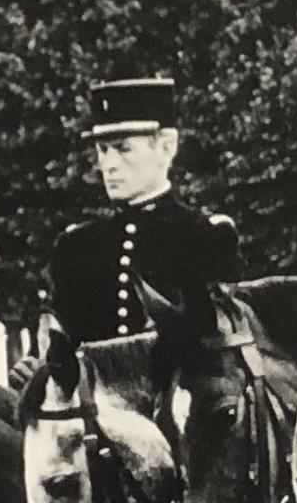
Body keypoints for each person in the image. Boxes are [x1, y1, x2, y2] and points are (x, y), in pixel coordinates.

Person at [45, 76, 241, 343]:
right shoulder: (76, 248)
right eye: (102, 150)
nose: (108, 164)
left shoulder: (205, 236)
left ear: (166, 148)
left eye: (123, 149)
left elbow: (217, 349)